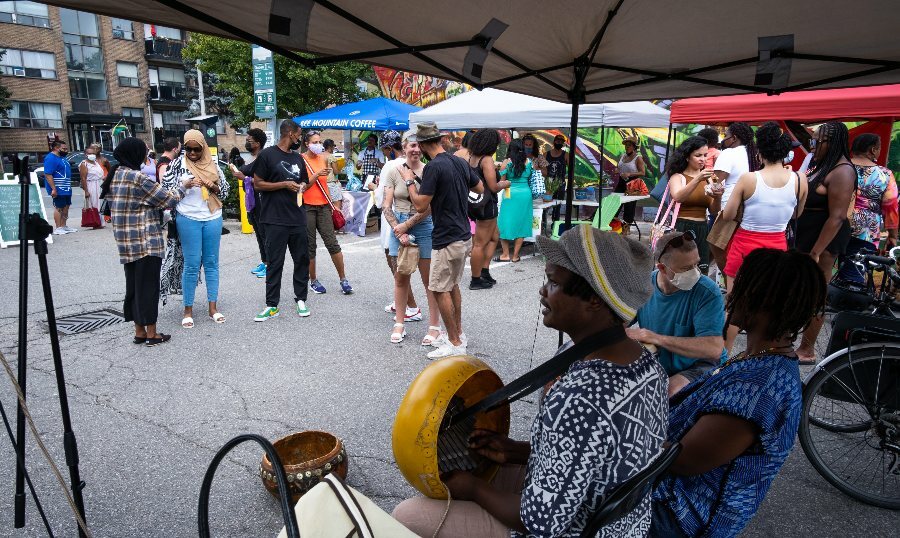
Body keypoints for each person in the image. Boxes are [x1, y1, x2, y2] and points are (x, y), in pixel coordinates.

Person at [393, 225, 668, 537]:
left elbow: (540, 523)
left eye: (553, 282)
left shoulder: (577, 399)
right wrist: (518, 451)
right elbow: (599, 454)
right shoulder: (648, 366)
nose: (542, 290)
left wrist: (472, 488)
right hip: (624, 525)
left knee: (408, 515)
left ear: (594, 300)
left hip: (576, 530)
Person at [650, 248, 826, 538]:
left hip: (681, 516)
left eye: (740, 288)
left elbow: (682, 460)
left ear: (763, 302)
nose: (730, 296)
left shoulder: (759, 388)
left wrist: (626, 436)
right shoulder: (760, 359)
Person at [720, 122, 807, 351]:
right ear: (785, 153)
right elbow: (797, 213)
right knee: (769, 307)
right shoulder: (800, 180)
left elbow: (728, 215)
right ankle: (759, 354)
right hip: (777, 247)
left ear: (759, 152)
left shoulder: (749, 179)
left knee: (735, 305)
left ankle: (723, 358)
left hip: (744, 245)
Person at [404, 122, 484, 359]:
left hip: (446, 237)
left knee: (439, 289)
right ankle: (457, 334)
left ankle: (455, 342)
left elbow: (420, 204)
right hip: (462, 234)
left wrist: (409, 180)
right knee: (452, 286)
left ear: (422, 143)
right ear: (439, 139)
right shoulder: (458, 161)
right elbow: (479, 187)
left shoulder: (433, 168)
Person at [108, 137, 192, 347]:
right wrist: (183, 186)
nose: (147, 155)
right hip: (146, 242)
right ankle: (152, 334)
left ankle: (139, 331)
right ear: (134, 154)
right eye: (144, 151)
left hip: (126, 242)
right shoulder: (137, 178)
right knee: (148, 288)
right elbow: (168, 199)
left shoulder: (116, 174)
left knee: (134, 288)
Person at [627, 230, 727, 396]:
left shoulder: (708, 292)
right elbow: (619, 321)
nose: (695, 273)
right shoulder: (644, 285)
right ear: (661, 268)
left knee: (668, 391)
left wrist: (655, 338)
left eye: (696, 264)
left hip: (702, 363)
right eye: (686, 268)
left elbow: (714, 349)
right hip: (660, 362)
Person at [795, 122, 856, 363]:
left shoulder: (843, 171)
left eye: (817, 140)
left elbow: (838, 216)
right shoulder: (821, 164)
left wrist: (816, 251)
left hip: (823, 240)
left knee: (816, 294)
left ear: (831, 142)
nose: (813, 145)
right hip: (807, 234)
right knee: (802, 291)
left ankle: (807, 350)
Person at [161, 129, 229, 329]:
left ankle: (213, 308)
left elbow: (225, 191)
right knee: (191, 264)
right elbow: (165, 193)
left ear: (203, 148)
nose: (192, 153)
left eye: (196, 149)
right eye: (188, 149)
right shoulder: (176, 164)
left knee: (211, 263)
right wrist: (186, 185)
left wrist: (213, 186)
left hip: (212, 217)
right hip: (187, 217)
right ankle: (187, 310)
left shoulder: (214, 164)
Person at [382, 131, 441, 345]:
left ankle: (434, 327)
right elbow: (386, 205)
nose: (415, 150)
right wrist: (398, 228)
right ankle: (399, 323)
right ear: (404, 147)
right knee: (400, 277)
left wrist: (407, 226)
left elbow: (429, 207)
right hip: (398, 223)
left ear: (422, 148)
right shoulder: (393, 171)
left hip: (423, 225)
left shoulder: (429, 171)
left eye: (418, 146)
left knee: (429, 280)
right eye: (411, 146)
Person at [252, 119, 312, 321]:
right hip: (274, 218)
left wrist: (302, 185)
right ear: (290, 133)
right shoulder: (267, 155)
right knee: (275, 262)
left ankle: (301, 299)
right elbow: (258, 184)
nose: (300, 138)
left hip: (297, 217)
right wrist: (284, 184)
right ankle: (271, 305)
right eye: (299, 134)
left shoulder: (298, 158)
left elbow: (303, 180)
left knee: (301, 260)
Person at [838, 133, 899, 283]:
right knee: (855, 271)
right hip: (865, 231)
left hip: (835, 224)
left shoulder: (839, 167)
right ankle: (849, 303)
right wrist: (892, 235)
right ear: (872, 150)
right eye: (879, 148)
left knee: (830, 268)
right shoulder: (884, 175)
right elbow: (891, 206)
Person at [301, 131, 353, 296]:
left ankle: (343, 279)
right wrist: (316, 175)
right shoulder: (301, 160)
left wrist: (332, 205)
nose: (318, 144)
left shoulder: (323, 158)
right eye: (314, 141)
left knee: (332, 243)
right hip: (307, 206)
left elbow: (326, 184)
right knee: (310, 247)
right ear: (306, 143)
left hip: (324, 206)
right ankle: (313, 281)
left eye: (320, 141)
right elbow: (302, 187)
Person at [709, 122, 760, 278]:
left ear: (734, 138)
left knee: (717, 246)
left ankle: (731, 282)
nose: (724, 139)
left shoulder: (729, 153)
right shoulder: (754, 152)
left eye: (726, 136)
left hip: (728, 209)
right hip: (751, 209)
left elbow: (715, 182)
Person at [666, 136, 721, 274]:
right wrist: (698, 179)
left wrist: (718, 196)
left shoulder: (708, 178)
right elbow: (678, 197)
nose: (703, 159)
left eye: (705, 155)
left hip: (703, 227)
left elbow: (714, 211)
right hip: (682, 227)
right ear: (687, 157)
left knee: (701, 270)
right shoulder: (678, 177)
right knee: (681, 270)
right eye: (698, 155)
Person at [467, 129, 510, 290]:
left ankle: (484, 271)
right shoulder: (486, 160)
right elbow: (493, 186)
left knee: (494, 237)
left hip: (476, 203)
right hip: (487, 206)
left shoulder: (472, 158)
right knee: (479, 244)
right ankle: (475, 279)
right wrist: (506, 183)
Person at [230, 128, 268, 278]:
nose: (246, 142)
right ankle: (264, 262)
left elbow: (265, 181)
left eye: (249, 141)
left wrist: (243, 177)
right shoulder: (252, 158)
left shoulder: (263, 158)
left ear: (258, 143)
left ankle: (270, 265)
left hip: (262, 202)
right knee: (258, 233)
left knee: (265, 235)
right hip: (252, 203)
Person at [497, 139, 534, 263]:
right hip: (525, 193)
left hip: (509, 193)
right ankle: (515, 256)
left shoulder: (506, 162)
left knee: (504, 221)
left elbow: (502, 183)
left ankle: (505, 254)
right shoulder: (529, 162)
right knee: (522, 222)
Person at [617, 135, 647, 234]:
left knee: (629, 206)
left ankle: (626, 228)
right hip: (621, 182)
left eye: (629, 145)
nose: (627, 147)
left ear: (634, 146)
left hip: (633, 183)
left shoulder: (638, 158)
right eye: (626, 145)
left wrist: (630, 174)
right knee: (615, 202)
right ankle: (614, 225)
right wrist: (617, 170)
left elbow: (642, 172)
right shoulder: (622, 156)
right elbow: (620, 167)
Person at [44, 139, 75, 235]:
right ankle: (58, 227)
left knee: (66, 206)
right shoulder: (50, 158)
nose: (66, 150)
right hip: (58, 186)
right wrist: (53, 189)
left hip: (66, 186)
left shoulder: (62, 158)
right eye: (64, 148)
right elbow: (48, 174)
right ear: (56, 148)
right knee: (59, 207)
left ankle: (63, 225)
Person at [78, 144, 105, 228]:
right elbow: (83, 178)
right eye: (89, 153)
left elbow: (100, 174)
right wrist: (86, 191)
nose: (92, 155)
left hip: (99, 183)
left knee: (100, 203)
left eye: (93, 153)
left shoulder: (96, 162)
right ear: (86, 154)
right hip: (91, 185)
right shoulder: (84, 164)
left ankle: (101, 221)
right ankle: (95, 222)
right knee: (94, 203)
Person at [322, 139, 343, 213]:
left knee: (326, 206)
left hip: (322, 184)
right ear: (330, 147)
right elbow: (336, 171)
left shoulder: (319, 156)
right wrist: (340, 168)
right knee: (336, 207)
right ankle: (336, 223)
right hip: (331, 183)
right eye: (333, 146)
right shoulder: (331, 157)